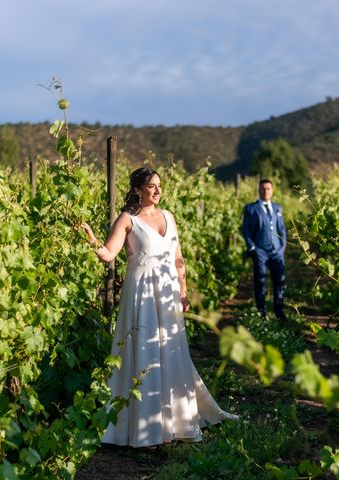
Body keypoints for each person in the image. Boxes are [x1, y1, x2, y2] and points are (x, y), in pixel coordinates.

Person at [81, 167, 236, 448]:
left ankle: (174, 422)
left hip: (167, 292)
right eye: (151, 186)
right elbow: (108, 254)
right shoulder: (127, 219)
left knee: (171, 350)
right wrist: (91, 239)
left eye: (159, 185)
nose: (157, 190)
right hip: (141, 294)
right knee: (144, 350)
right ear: (138, 189)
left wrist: (184, 292)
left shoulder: (169, 217)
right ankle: (142, 428)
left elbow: (178, 259)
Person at [242, 179, 287, 320]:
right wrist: (252, 247)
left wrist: (283, 245)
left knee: (279, 281)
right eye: (263, 189)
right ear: (258, 190)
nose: (266, 191)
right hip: (260, 251)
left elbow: (281, 228)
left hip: (277, 251)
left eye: (268, 189)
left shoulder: (277, 208)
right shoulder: (250, 208)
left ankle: (279, 311)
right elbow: (246, 229)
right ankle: (261, 311)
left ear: (272, 191)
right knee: (260, 281)